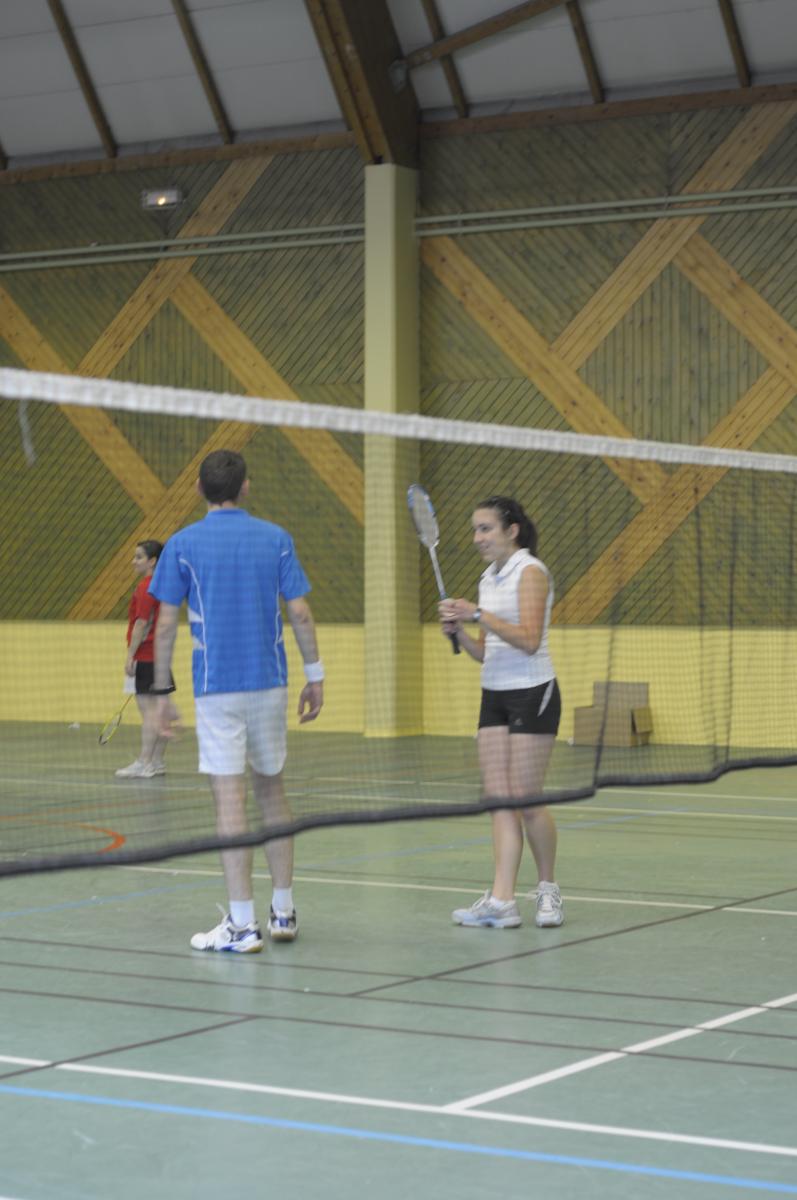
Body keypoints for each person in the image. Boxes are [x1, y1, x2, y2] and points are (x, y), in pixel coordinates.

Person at [149, 449, 323, 954]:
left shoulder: (182, 544)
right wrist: (315, 676)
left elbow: (165, 625)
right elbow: (300, 613)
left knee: (230, 801)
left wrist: (161, 693)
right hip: (270, 684)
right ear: (246, 487)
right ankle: (283, 911)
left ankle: (243, 925)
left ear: (199, 489)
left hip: (217, 688)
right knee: (272, 793)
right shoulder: (276, 538)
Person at [439, 496, 564, 930]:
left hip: (533, 692)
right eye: (475, 530)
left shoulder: (531, 572)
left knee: (527, 799)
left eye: (486, 528)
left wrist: (477, 613)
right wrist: (460, 631)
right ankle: (502, 900)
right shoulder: (487, 578)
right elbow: (485, 651)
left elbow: (529, 640)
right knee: (499, 800)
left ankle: (547, 888)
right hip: (494, 695)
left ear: (512, 530)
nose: (477, 538)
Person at [115, 540, 173, 780]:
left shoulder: (145, 587)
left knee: (149, 712)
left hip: (147, 656)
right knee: (160, 711)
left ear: (152, 561)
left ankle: (144, 763)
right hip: (161, 656)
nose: (133, 561)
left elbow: (141, 623)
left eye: (139, 557)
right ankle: (157, 761)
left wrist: (131, 655)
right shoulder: (164, 585)